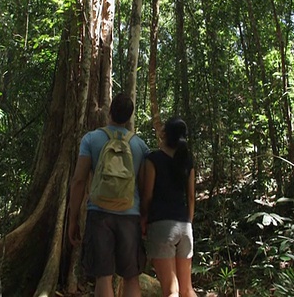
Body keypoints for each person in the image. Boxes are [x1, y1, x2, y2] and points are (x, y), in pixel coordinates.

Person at [67, 93, 150, 297]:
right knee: (131, 277)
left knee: (103, 277)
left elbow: (78, 181)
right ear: (129, 117)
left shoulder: (91, 139)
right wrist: (144, 219)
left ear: (110, 111)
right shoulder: (140, 146)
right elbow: (145, 188)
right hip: (130, 215)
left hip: (99, 214)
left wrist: (73, 218)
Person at [140, 117, 198, 297]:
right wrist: (188, 220)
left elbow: (147, 195)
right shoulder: (187, 160)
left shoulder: (153, 159)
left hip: (161, 226)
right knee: (187, 289)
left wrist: (143, 220)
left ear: (165, 134)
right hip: (184, 227)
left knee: (171, 290)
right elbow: (191, 196)